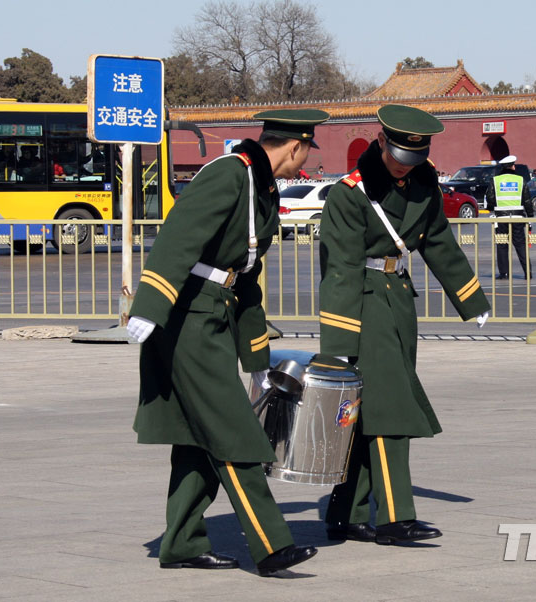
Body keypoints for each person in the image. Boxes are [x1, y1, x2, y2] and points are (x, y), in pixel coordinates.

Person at [125, 108, 330, 576]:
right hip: (185, 319)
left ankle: (180, 544)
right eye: (305, 155)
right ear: (296, 146)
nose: (303, 164)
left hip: (213, 313)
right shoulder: (229, 174)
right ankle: (272, 546)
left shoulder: (262, 187)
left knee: (197, 440)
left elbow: (246, 278)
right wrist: (149, 308)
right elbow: (178, 238)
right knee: (233, 430)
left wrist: (255, 355)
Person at [319, 104, 490, 545]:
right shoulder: (349, 194)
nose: (403, 165)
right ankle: (395, 518)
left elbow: (438, 243)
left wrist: (471, 300)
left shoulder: (423, 188)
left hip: (399, 302)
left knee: (363, 414)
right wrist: (338, 339)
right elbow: (340, 268)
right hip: (363, 302)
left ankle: (346, 514)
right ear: (380, 142)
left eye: (414, 158)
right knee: (391, 410)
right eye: (398, 155)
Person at [485, 155, 534, 279]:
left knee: (502, 245)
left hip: (500, 219)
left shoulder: (495, 180)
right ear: (513, 166)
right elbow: (527, 199)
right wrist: (530, 216)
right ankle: (527, 273)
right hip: (517, 218)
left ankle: (504, 273)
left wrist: (492, 207)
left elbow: (490, 198)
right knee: (520, 245)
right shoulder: (520, 180)